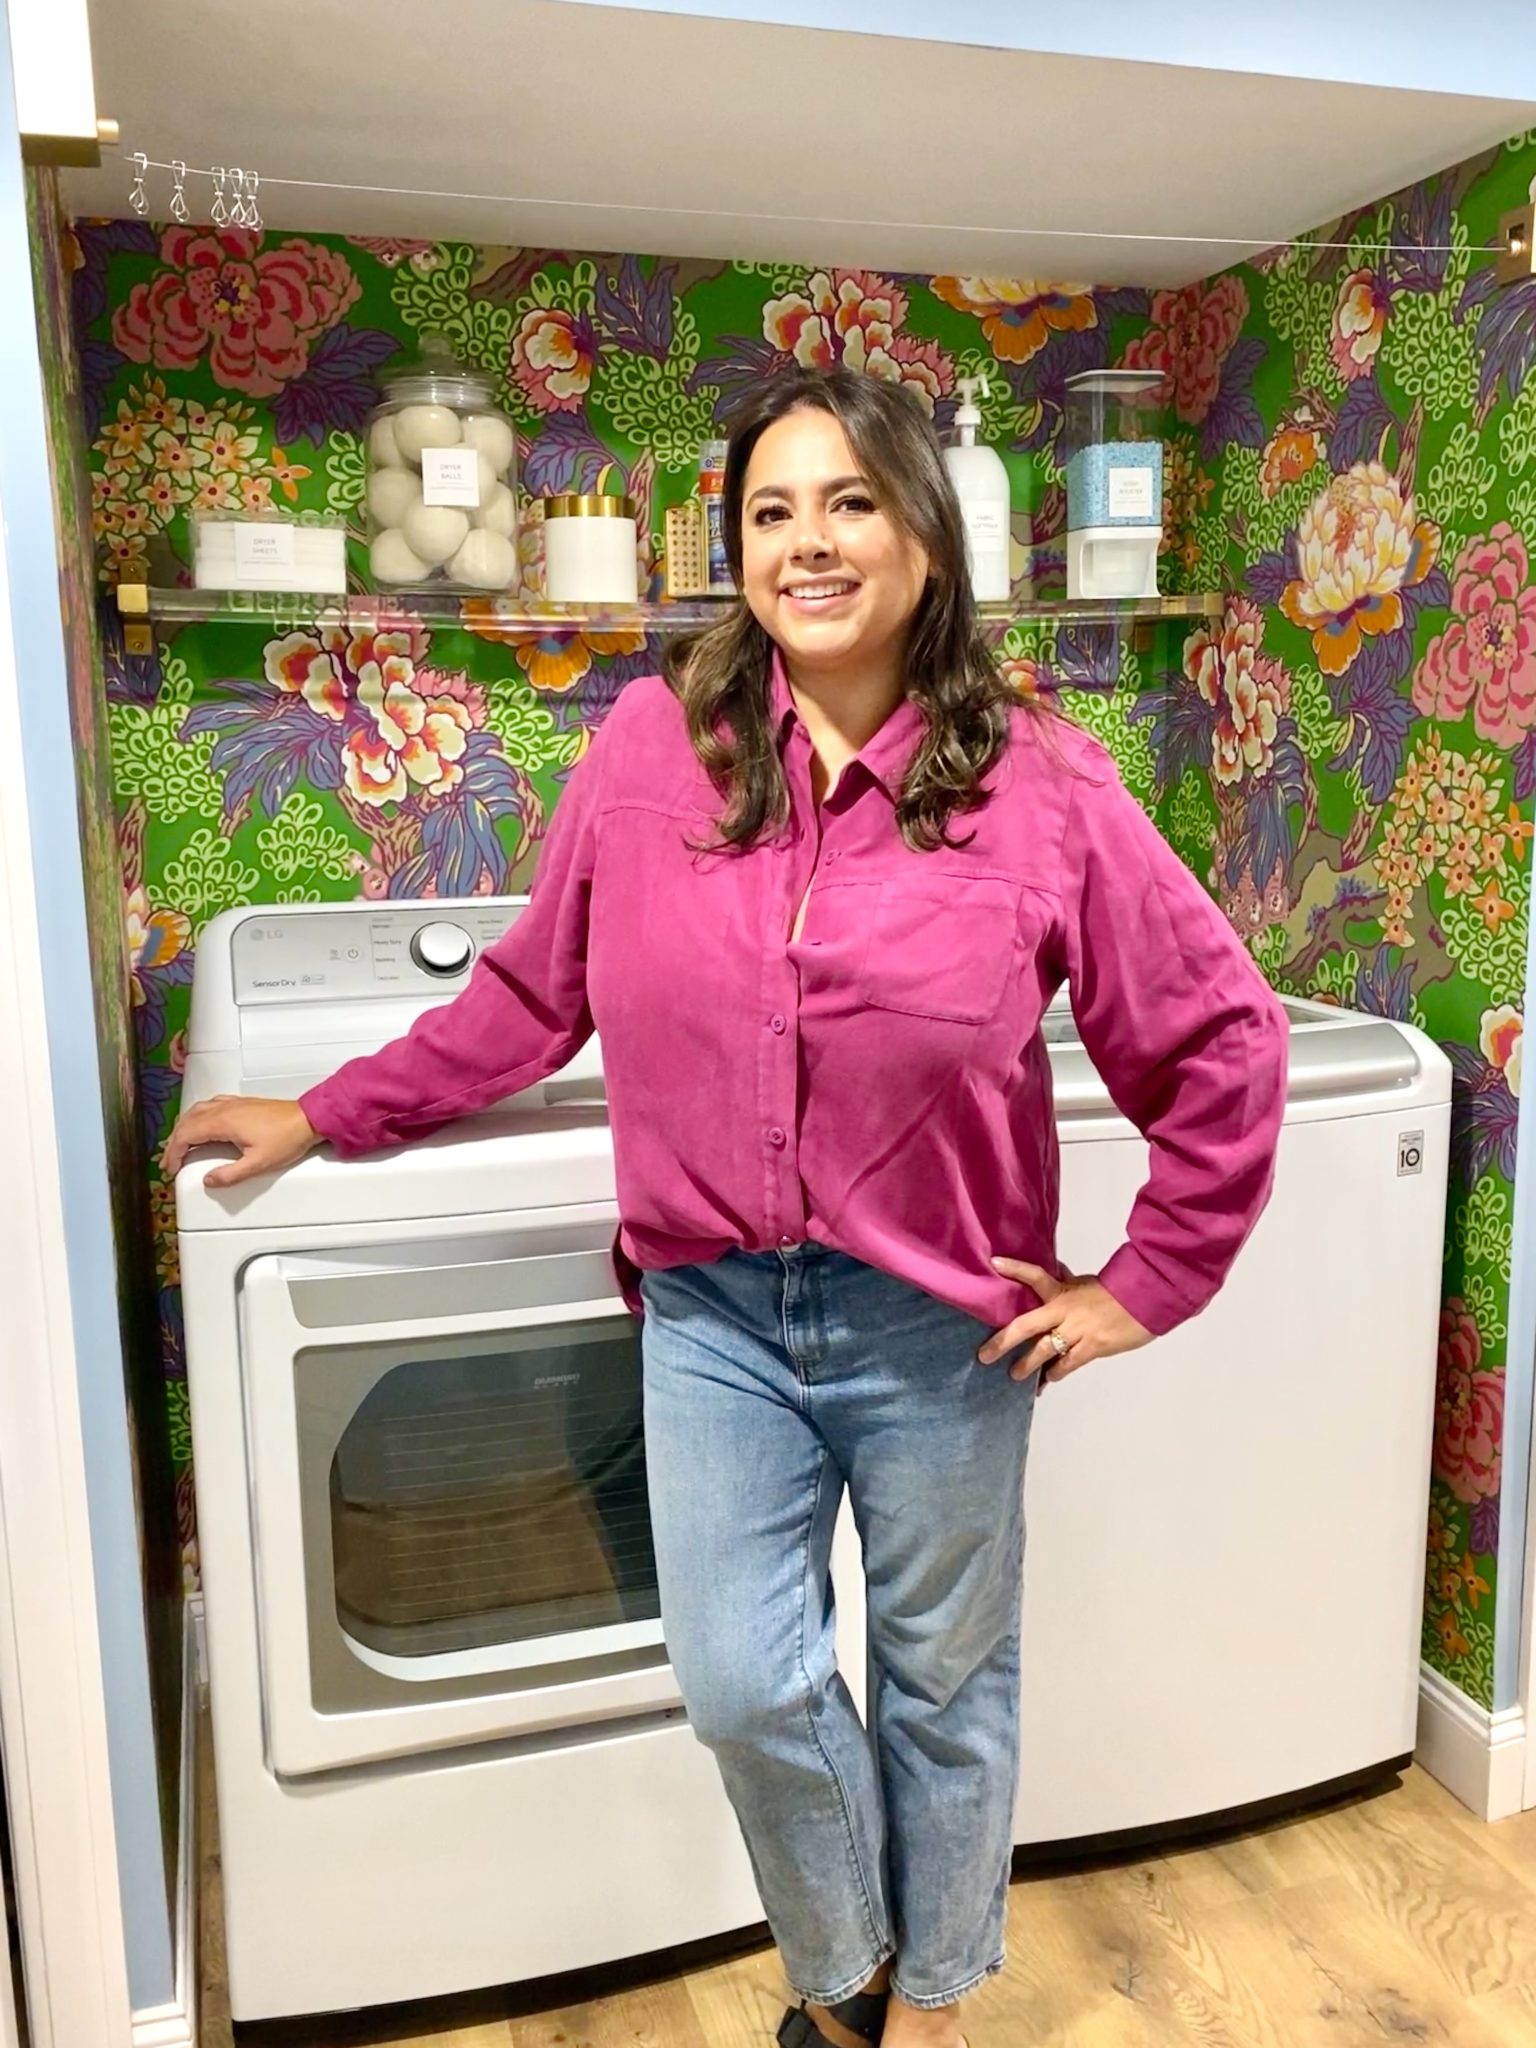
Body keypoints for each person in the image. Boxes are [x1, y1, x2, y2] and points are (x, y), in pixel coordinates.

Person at [164, 367, 1288, 2048]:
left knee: (944, 1682)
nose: (810, 544)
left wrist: (1148, 1279)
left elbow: (1218, 1033)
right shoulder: (647, 748)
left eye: (850, 503)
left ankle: (930, 2015)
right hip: (710, 1319)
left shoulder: (1044, 781)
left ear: (927, 535)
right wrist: (323, 1114)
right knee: (744, 1679)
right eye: (773, 511)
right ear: (734, 550)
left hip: (941, 1330)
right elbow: (533, 995)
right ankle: (855, 1971)